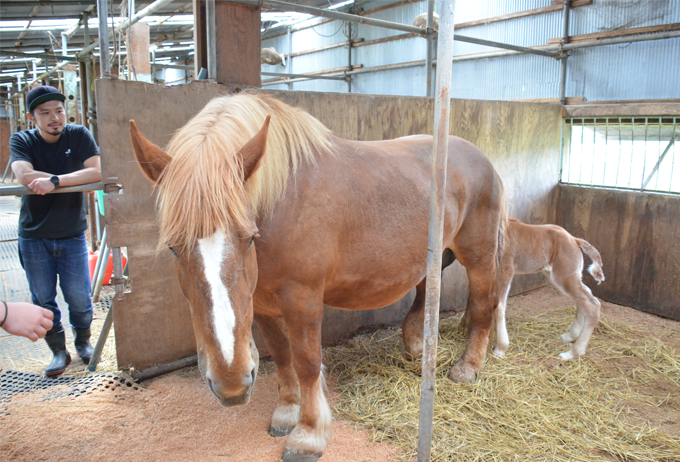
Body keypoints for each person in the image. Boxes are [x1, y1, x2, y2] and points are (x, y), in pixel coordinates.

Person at [9, 85, 102, 376]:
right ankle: (59, 353)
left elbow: (98, 170)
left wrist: (54, 181)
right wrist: (73, 178)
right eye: (45, 113)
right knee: (43, 298)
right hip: (34, 236)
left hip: (72, 233)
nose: (54, 118)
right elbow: (23, 174)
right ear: (31, 117)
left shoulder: (78, 134)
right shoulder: (22, 140)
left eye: (59, 110)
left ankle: (84, 344)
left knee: (79, 296)